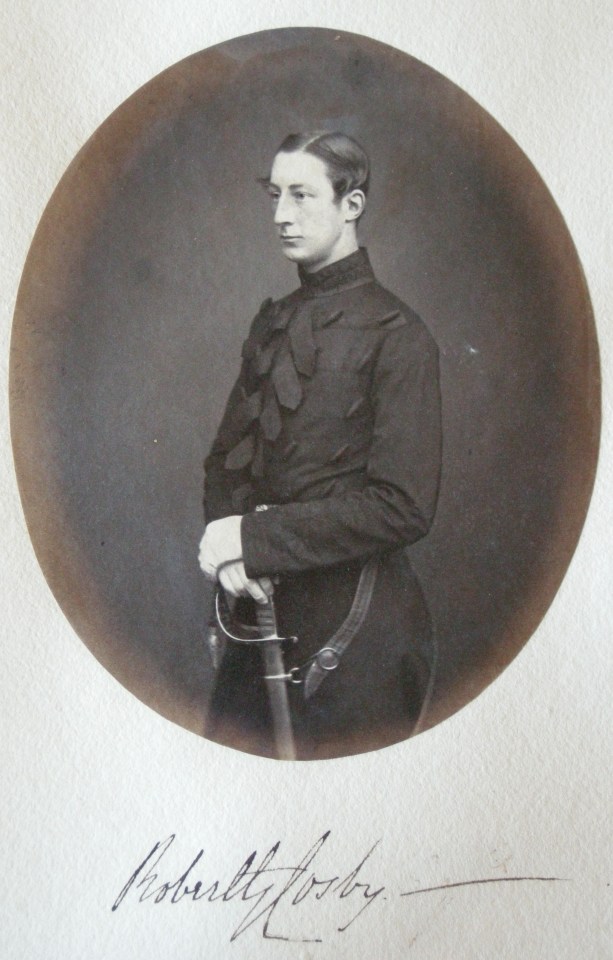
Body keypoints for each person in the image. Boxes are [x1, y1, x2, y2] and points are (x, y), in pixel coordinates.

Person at [198, 131, 441, 760]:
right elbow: (224, 462)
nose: (282, 214)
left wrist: (252, 540)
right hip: (254, 621)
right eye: (275, 195)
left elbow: (403, 506)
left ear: (351, 205)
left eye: (302, 196)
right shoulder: (273, 321)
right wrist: (231, 552)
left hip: (356, 641)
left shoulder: (400, 336)